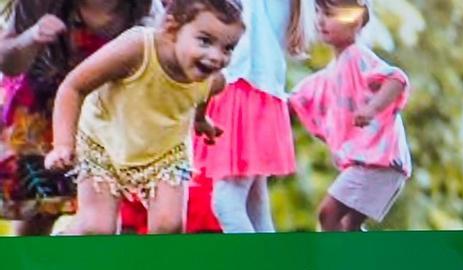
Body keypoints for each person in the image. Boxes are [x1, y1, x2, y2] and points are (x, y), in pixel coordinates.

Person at [44, 0, 244, 234]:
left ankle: (154, 260)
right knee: (97, 229)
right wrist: (63, 145)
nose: (216, 57)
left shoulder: (215, 80)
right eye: (205, 41)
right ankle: (65, 237)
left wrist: (200, 120)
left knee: (169, 225)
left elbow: (202, 95)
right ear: (172, 28)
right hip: (104, 142)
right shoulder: (137, 48)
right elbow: (73, 87)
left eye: (228, 48)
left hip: (166, 152)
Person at [0, 0, 159, 235]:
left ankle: (64, 250)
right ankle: (32, 258)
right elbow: (8, 63)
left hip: (103, 116)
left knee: (101, 218)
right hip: (40, 114)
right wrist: (31, 36)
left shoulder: (146, 9)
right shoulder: (37, 3)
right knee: (39, 212)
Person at [289, 0, 410, 232]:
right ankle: (361, 257)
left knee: (328, 214)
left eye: (330, 14)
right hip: (375, 164)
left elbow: (396, 80)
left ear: (355, 21)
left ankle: (336, 257)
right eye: (319, 12)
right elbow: (298, 97)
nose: (321, 20)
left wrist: (372, 108)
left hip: (378, 162)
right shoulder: (333, 70)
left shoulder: (357, 56)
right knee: (348, 226)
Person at [197, 0, 309, 233]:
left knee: (227, 203)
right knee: (254, 205)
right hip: (257, 93)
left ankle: (252, 259)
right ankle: (269, 258)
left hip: (242, 90)